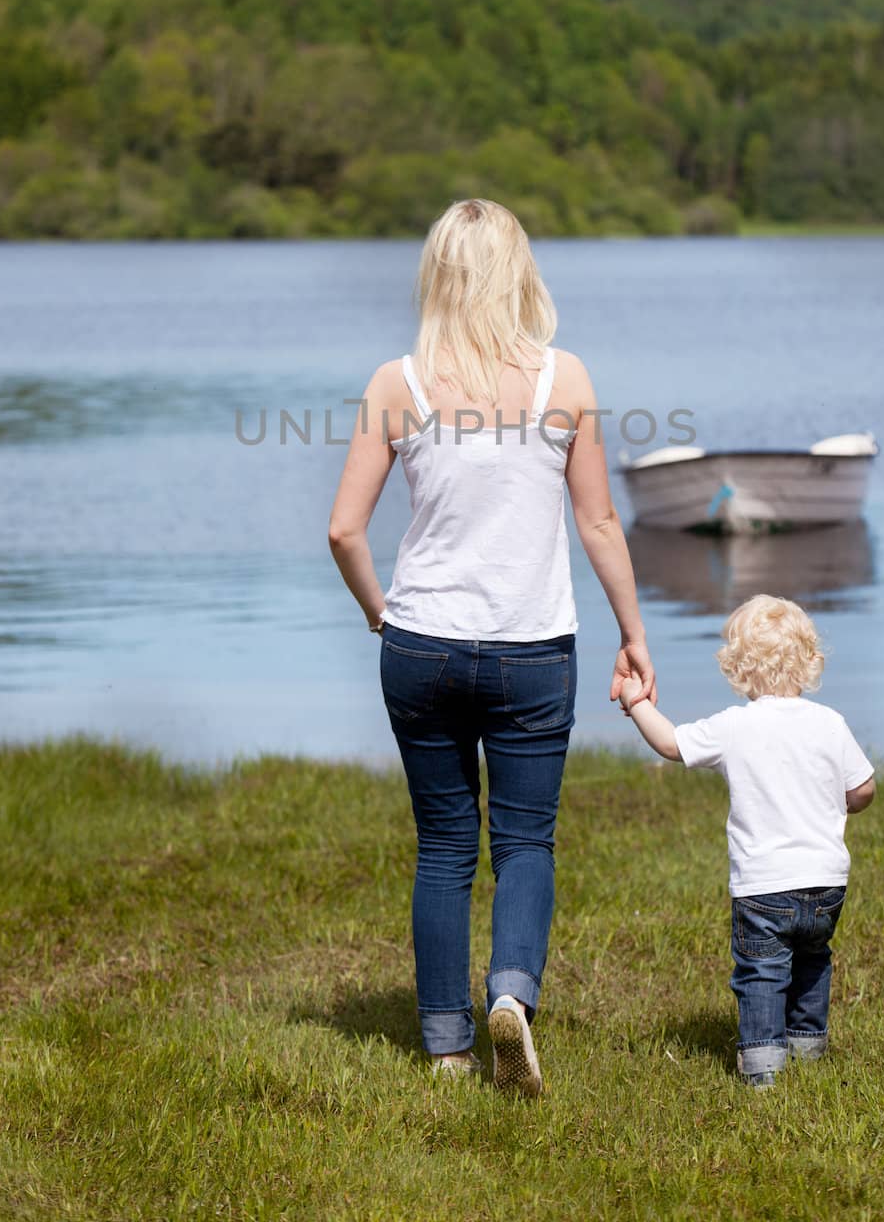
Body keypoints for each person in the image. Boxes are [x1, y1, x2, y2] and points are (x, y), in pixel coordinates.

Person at [328, 198, 656, 1094]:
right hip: (533, 648)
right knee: (523, 843)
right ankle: (510, 992)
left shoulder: (397, 382)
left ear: (437, 272)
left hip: (421, 644)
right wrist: (632, 633)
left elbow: (344, 533)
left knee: (442, 843)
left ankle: (444, 1046)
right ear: (519, 270)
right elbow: (595, 519)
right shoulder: (566, 378)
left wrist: (378, 616)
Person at [618, 592, 875, 1088]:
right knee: (813, 960)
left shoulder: (735, 725)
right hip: (826, 884)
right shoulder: (830, 723)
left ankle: (762, 1067)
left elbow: (672, 744)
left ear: (737, 668)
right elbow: (863, 788)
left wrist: (635, 701)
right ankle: (808, 1046)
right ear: (809, 661)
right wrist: (847, 803)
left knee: (762, 971)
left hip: (763, 886)